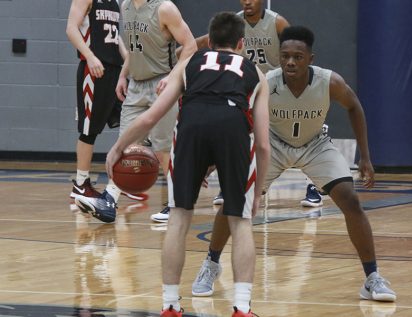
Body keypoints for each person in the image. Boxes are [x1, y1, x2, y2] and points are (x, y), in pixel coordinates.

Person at [192, 25, 397, 303]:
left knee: (350, 200)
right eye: (285, 55)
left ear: (310, 58)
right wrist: (216, 159)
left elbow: (354, 107)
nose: (290, 61)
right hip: (273, 145)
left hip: (315, 144)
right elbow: (240, 119)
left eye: (298, 57)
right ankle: (211, 264)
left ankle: (372, 278)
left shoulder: (330, 82)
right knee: (234, 198)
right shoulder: (266, 81)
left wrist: (366, 157)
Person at [105, 12, 270, 317]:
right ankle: (242, 308)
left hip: (192, 126)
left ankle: (169, 305)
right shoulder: (256, 72)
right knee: (240, 220)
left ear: (209, 41)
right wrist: (257, 193)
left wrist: (117, 147)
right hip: (233, 128)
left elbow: (151, 117)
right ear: (241, 43)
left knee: (179, 217)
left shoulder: (188, 64)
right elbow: (262, 144)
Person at [190, 0, 318, 297]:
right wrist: (185, 44)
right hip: (245, 91)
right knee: (234, 150)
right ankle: (211, 261)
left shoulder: (277, 23)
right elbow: (200, 41)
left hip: (275, 92)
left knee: (306, 132)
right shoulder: (232, 24)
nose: (247, 1)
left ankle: (314, 184)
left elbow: (297, 52)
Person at [75, 0, 197, 223]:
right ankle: (109, 201)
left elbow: (190, 46)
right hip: (136, 85)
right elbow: (133, 47)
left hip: (163, 83)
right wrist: (123, 75)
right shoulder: (126, 6)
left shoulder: (165, 8)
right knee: (124, 145)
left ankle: (175, 204)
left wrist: (173, 77)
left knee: (163, 149)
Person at [66, 0, 129, 203]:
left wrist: (128, 57)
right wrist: (90, 56)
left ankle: (124, 180)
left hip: (115, 70)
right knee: (89, 130)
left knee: (130, 125)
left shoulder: (114, 2)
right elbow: (71, 29)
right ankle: (81, 184)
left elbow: (113, 34)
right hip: (94, 69)